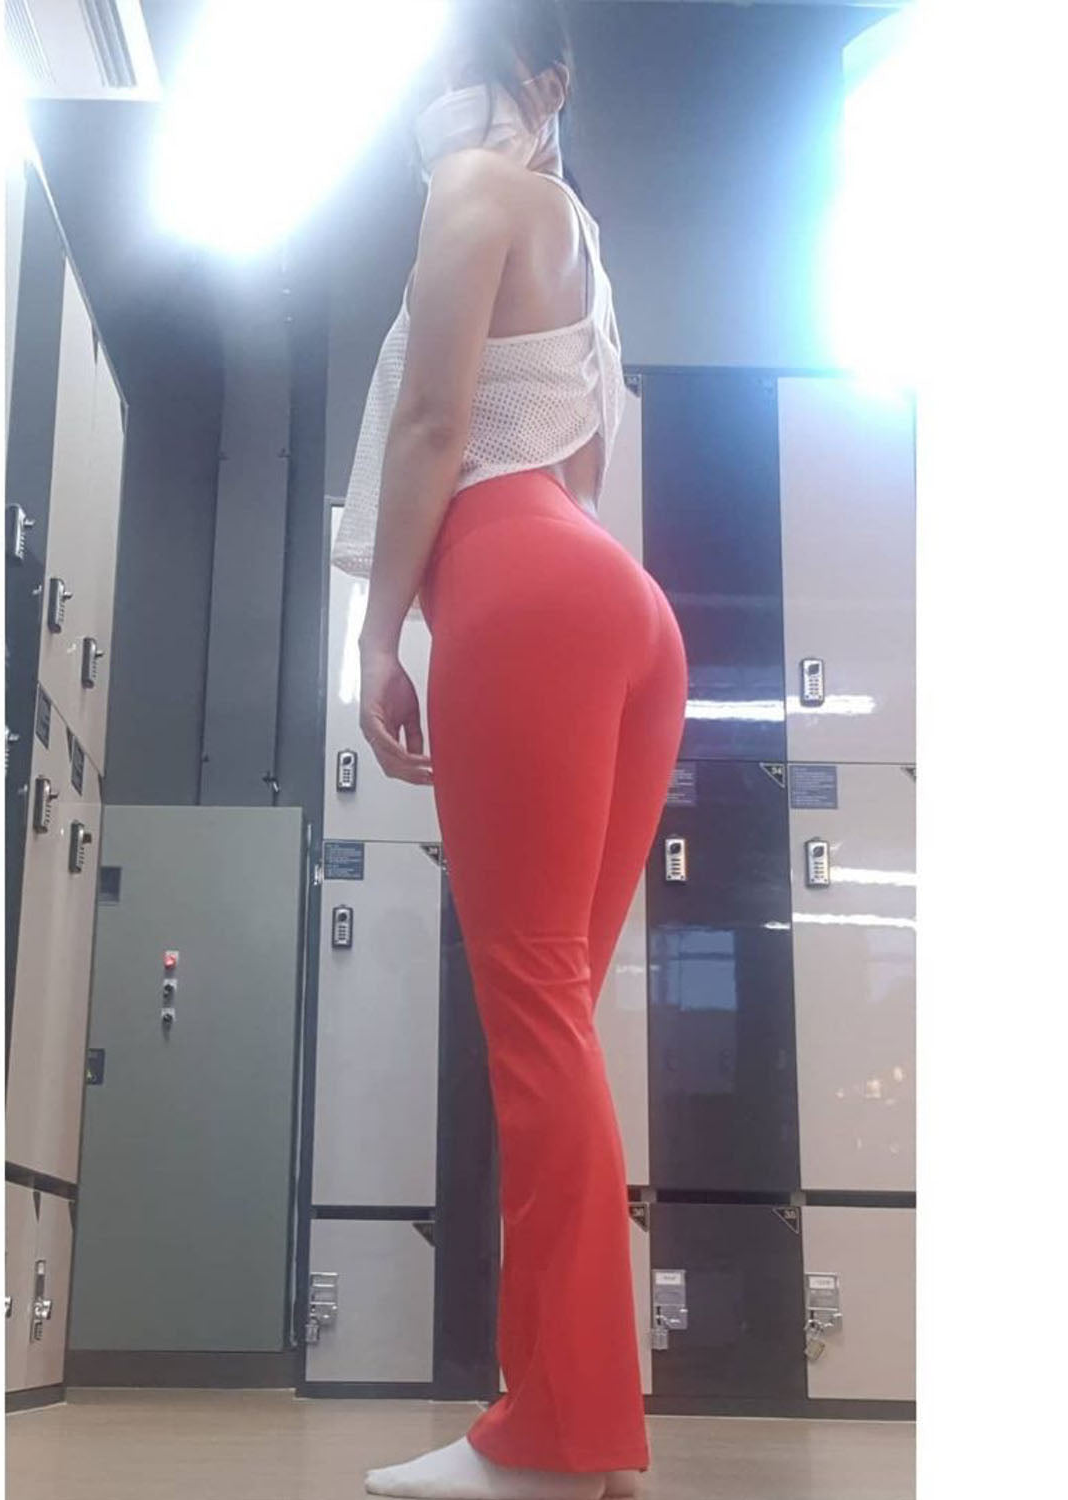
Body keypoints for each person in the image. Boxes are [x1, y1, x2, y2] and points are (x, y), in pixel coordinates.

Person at [330, 4, 688, 1497]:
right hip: (619, 607)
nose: (431, 98)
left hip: (520, 590)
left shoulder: (473, 188)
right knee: (556, 1029)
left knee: (532, 1021)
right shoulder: (586, 253)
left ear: (545, 86)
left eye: (452, 72)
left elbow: (433, 427)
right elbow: (577, 468)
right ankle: (564, 1425)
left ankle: (554, 1438)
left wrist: (376, 639)